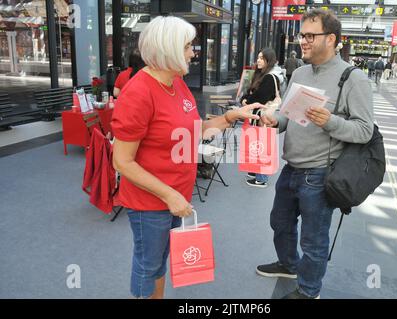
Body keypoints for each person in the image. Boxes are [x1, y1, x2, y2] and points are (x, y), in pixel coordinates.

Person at [111, 16, 261, 299]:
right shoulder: (139, 93)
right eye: (188, 46)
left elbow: (193, 131)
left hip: (176, 194)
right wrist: (169, 195)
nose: (194, 52)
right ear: (168, 48)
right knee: (149, 264)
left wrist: (228, 117)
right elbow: (122, 161)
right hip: (150, 202)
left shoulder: (176, 83)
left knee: (160, 261)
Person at [258, 9, 374, 299]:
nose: (303, 42)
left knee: (314, 239)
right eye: (302, 35)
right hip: (291, 167)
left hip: (320, 174)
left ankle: (309, 290)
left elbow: (364, 131)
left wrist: (330, 121)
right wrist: (274, 122)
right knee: (280, 222)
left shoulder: (352, 78)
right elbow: (287, 117)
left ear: (331, 38)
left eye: (310, 36)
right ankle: (288, 264)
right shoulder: (299, 73)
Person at [240, 48, 282, 188]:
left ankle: (262, 178)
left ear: (268, 61)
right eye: (258, 57)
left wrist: (246, 101)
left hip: (263, 118)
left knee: (262, 146)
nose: (258, 60)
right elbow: (250, 93)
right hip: (255, 116)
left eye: (262, 58)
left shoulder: (270, 77)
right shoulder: (260, 75)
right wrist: (246, 99)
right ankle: (254, 171)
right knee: (255, 144)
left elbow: (260, 98)